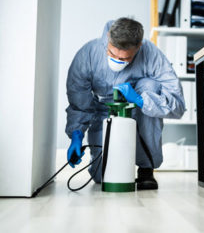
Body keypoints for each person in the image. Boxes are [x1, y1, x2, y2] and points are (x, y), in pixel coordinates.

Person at [65, 17, 185, 190]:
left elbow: (178, 104)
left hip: (137, 109)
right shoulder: (87, 55)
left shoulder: (151, 54)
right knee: (101, 176)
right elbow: (79, 101)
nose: (118, 61)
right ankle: (100, 165)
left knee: (150, 86)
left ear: (139, 47)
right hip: (104, 112)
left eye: (126, 58)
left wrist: (141, 100)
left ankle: (145, 169)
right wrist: (76, 135)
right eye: (112, 54)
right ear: (108, 38)